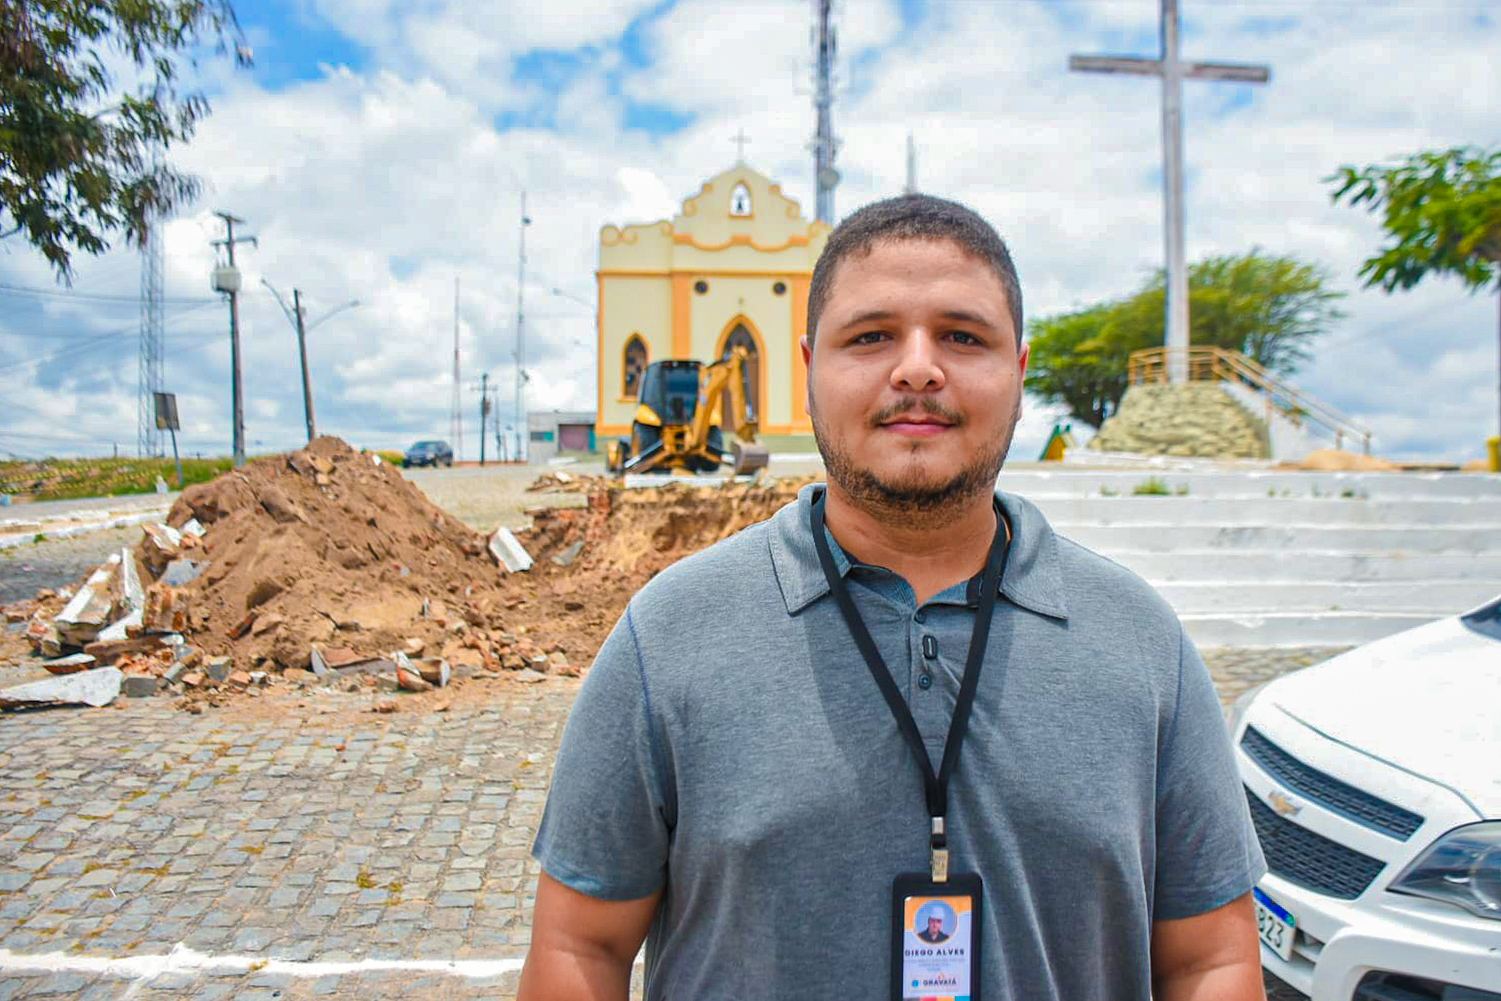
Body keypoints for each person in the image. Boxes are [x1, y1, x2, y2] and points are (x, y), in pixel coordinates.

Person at [518, 194, 1267, 1000]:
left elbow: (1207, 962)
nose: (916, 368)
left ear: (1018, 373)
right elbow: (580, 948)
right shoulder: (668, 634)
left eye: (962, 336)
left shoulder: (1141, 641)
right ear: (808, 368)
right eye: (871, 336)